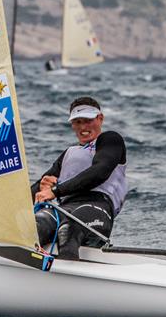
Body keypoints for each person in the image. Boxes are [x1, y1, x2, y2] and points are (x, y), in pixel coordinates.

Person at [32, 96, 127, 260]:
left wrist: (55, 190)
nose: (83, 127)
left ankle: (66, 280)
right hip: (65, 208)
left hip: (97, 207)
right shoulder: (70, 153)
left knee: (68, 231)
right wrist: (43, 187)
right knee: (34, 226)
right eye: (77, 122)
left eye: (88, 121)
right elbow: (37, 188)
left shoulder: (110, 140)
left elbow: (100, 171)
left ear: (100, 118)